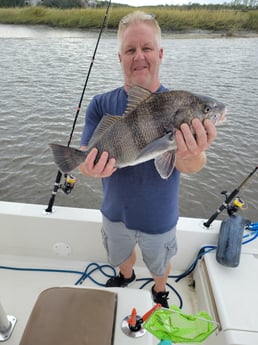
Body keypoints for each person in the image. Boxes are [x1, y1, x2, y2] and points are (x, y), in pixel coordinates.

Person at [79, 11, 216, 308]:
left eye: (147, 48)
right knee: (121, 256)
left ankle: (160, 290)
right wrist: (88, 167)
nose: (139, 56)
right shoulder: (101, 105)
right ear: (120, 57)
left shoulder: (179, 105)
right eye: (130, 49)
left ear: (160, 53)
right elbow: (82, 160)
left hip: (159, 218)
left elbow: (193, 165)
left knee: (159, 263)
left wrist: (190, 152)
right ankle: (125, 276)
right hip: (114, 212)